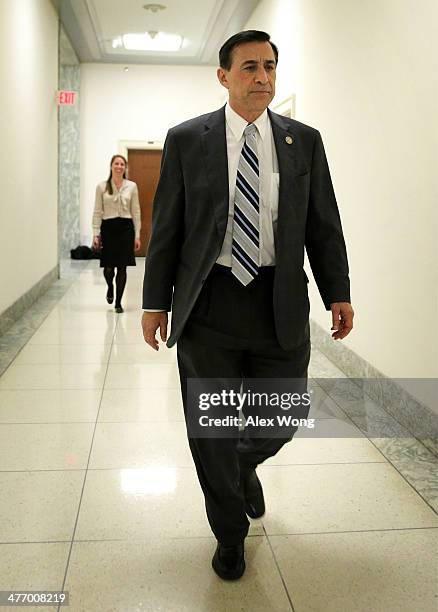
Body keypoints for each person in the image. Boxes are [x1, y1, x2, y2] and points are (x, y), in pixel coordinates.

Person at [141, 30, 354, 580]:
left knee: (281, 414)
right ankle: (230, 534)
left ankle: (241, 463)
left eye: (270, 67)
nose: (263, 77)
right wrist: (153, 303)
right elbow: (167, 227)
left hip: (276, 299)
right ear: (224, 76)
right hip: (209, 303)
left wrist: (338, 291)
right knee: (209, 425)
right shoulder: (188, 139)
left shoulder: (303, 141)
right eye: (251, 67)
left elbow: (322, 225)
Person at [92, 154, 141, 313]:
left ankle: (118, 302)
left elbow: (136, 211)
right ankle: (110, 288)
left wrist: (137, 234)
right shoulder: (102, 187)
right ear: (111, 166)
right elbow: (97, 211)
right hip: (108, 228)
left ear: (125, 167)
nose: (119, 166)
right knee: (108, 268)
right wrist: (95, 233)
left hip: (125, 229)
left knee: (122, 267)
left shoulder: (131, 186)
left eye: (122, 164)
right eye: (116, 163)